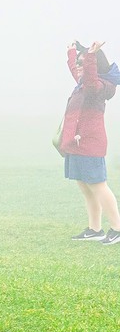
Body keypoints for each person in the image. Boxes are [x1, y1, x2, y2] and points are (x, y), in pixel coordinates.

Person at [60, 40, 120, 243]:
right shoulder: (83, 83)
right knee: (86, 188)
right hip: (76, 143)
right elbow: (78, 72)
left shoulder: (101, 86)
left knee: (98, 186)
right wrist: (71, 53)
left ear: (94, 64)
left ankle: (117, 229)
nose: (79, 65)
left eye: (82, 62)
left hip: (90, 143)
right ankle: (95, 229)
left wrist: (91, 55)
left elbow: (91, 80)